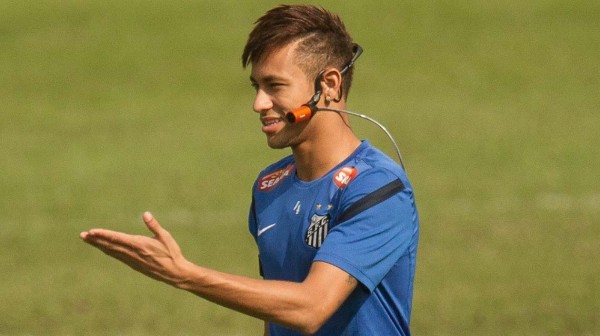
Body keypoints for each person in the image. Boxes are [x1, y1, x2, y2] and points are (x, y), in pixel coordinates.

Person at [80, 4, 419, 335]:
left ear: (329, 85)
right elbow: (277, 312)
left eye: (275, 86)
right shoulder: (269, 187)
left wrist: (185, 274)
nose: (258, 103)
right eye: (257, 87)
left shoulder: (379, 189)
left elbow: (311, 308)